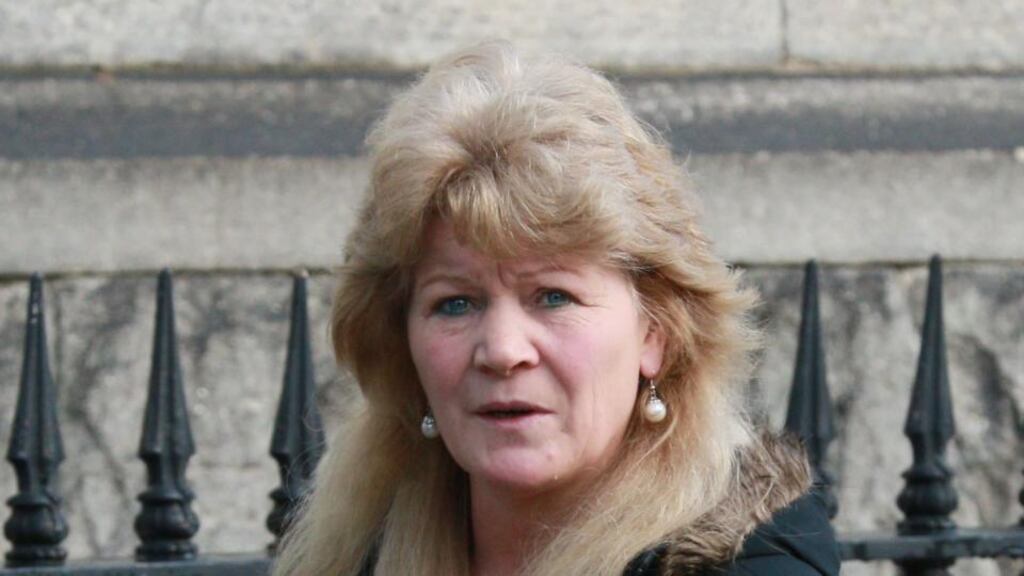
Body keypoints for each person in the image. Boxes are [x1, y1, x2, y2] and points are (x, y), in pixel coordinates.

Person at [273, 40, 840, 576]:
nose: (502, 351)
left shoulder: (747, 561)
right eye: (455, 303)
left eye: (553, 296)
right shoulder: (357, 549)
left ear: (657, 330)